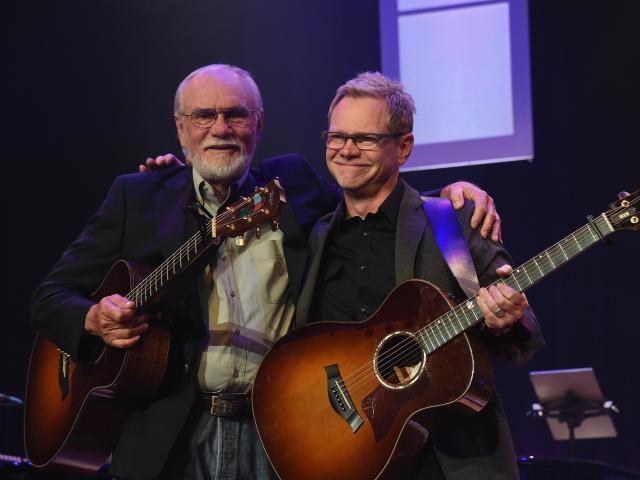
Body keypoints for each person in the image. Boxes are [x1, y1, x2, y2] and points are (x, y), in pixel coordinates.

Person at [31, 64, 503, 480]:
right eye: (203, 116)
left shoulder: (292, 186)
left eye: (236, 114)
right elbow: (50, 296)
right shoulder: (139, 197)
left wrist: (453, 195)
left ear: (258, 124)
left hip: (277, 434)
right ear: (180, 129)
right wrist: (92, 319)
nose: (221, 129)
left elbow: (373, 193)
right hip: (166, 438)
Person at [294, 72, 545, 479]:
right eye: (336, 137)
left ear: (404, 147)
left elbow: (526, 333)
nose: (346, 150)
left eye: (365, 139)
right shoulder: (316, 234)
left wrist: (507, 321)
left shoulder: (452, 221)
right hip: (348, 456)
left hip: (449, 462)